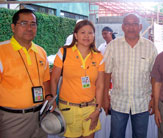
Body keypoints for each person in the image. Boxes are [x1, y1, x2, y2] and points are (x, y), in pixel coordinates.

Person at [103, 13, 158, 138]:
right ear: (123, 27)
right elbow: (107, 73)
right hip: (118, 102)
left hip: (142, 103)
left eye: (134, 24)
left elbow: (154, 76)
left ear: (140, 27)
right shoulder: (113, 46)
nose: (131, 27)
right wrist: (105, 97)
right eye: (128, 24)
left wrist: (154, 98)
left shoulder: (150, 47)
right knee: (116, 135)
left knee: (140, 136)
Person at [0, 9, 51, 138]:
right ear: (13, 27)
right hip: (12, 119)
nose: (29, 28)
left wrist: (49, 96)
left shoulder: (41, 52)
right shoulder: (2, 51)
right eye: (24, 23)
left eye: (33, 24)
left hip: (40, 116)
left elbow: (45, 79)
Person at [51, 19, 104, 138]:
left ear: (94, 35)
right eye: (83, 32)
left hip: (90, 108)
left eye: (90, 33)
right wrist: (53, 101)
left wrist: (97, 110)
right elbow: (54, 79)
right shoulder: (63, 52)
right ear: (76, 35)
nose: (87, 36)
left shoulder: (98, 56)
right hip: (69, 109)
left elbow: (100, 85)